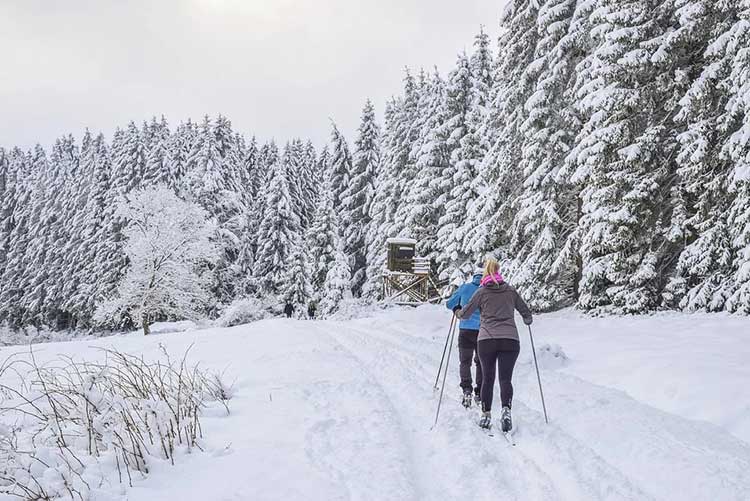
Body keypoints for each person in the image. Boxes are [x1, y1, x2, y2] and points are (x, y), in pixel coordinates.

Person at [454, 258, 532, 432]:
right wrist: (527, 319)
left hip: (487, 340)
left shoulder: (481, 292)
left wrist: (457, 311)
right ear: (498, 271)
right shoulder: (511, 291)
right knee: (506, 379)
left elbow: (465, 314)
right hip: (510, 340)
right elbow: (526, 312)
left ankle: (486, 414)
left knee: (488, 378)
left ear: (485, 274)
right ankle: (506, 410)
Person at [445, 264, 484, 408]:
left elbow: (449, 304)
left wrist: (457, 308)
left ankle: (466, 389)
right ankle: (480, 392)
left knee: (465, 362)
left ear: (474, 276)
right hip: (483, 331)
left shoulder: (465, 287)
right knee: (481, 362)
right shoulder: (487, 290)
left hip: (465, 330)